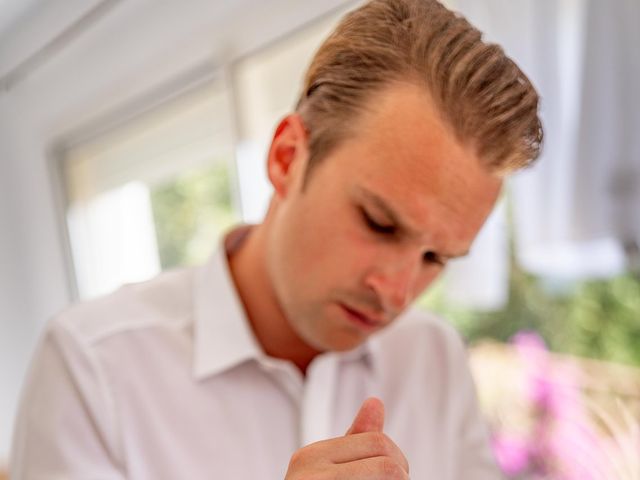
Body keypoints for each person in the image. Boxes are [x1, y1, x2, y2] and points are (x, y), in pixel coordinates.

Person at [10, 0, 542, 478]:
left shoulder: (434, 358)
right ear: (287, 156)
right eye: (380, 223)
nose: (397, 292)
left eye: (436, 257)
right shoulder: (90, 368)